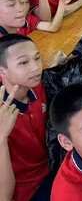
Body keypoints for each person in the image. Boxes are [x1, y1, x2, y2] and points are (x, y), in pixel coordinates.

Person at [0, 34, 53, 201]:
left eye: (37, 58)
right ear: (2, 71)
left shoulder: (36, 87)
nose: (35, 67)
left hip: (50, 170)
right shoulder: (2, 112)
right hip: (24, 192)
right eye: (23, 62)